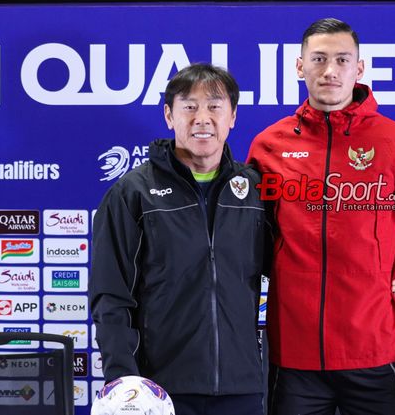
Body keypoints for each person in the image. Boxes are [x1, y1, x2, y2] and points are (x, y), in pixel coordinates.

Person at [248, 18, 395, 415]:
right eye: (319, 59)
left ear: (359, 68)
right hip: (294, 359)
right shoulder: (267, 146)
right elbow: (243, 249)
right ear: (299, 66)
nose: (330, 70)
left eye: (342, 59)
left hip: (378, 352)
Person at [89, 63, 269, 415]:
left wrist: (371, 276)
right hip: (159, 391)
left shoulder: (255, 190)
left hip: (242, 387)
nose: (202, 118)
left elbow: (296, 265)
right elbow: (111, 296)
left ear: (232, 116)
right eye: (189, 107)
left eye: (215, 107)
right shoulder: (133, 192)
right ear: (169, 116)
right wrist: (125, 385)